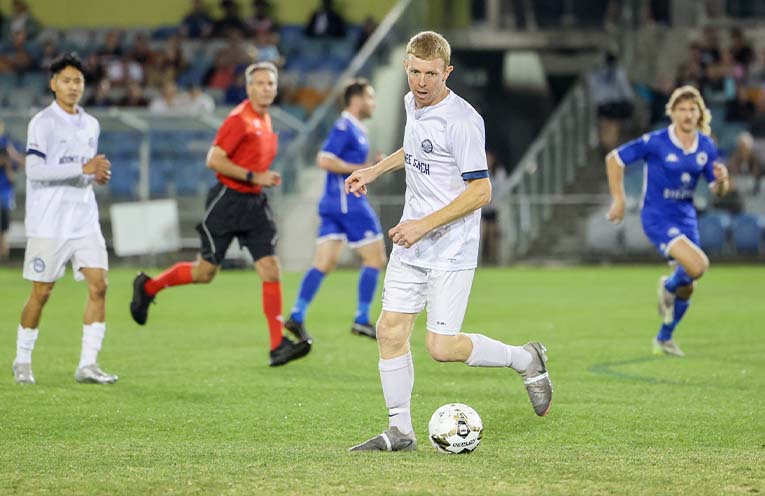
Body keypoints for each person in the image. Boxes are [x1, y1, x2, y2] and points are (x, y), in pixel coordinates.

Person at [344, 31, 553, 452]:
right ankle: (400, 430)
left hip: (451, 247)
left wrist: (423, 225)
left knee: (441, 347)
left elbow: (481, 192)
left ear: (448, 72)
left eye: (431, 74)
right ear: (406, 67)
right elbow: (415, 149)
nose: (421, 82)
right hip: (412, 241)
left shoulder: (462, 120)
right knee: (389, 330)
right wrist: (373, 171)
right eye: (415, 72)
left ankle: (526, 358)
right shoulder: (411, 102)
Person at [130, 62, 310, 367]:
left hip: (255, 203)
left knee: (270, 269)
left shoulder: (266, 119)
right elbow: (214, 159)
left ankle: (277, 345)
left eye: (270, 83)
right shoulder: (239, 119)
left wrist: (261, 178)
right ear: (248, 88)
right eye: (260, 83)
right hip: (228, 201)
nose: (266, 88)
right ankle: (148, 287)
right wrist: (254, 176)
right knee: (205, 273)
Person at [13, 53, 117, 385]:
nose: (73, 87)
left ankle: (88, 364)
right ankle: (22, 359)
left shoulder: (91, 124)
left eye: (78, 81)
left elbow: (84, 170)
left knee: (99, 285)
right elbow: (35, 171)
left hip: (84, 219)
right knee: (42, 293)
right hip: (49, 222)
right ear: (53, 84)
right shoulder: (42, 123)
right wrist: (82, 168)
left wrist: (95, 175)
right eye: (67, 80)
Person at [606, 85, 730, 357]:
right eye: (682, 109)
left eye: (692, 109)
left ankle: (664, 337)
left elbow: (717, 189)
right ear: (672, 113)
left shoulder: (706, 145)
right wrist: (619, 199)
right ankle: (668, 286)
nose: (687, 114)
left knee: (689, 285)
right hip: (657, 217)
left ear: (700, 114)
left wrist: (722, 181)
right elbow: (614, 159)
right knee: (698, 265)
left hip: (686, 219)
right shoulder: (656, 141)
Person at [284, 79, 386, 342]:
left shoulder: (357, 128)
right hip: (348, 203)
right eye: (370, 97)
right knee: (376, 258)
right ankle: (361, 319)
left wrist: (368, 165)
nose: (373, 103)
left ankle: (297, 315)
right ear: (356, 99)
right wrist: (360, 167)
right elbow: (324, 159)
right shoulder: (345, 126)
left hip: (334, 204)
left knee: (324, 263)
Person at [0, 119, 24, 261]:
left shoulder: (7, 144)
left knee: (4, 226)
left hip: (4, 191)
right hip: (4, 190)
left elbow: (16, 165)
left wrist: (9, 161)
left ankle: (4, 254)